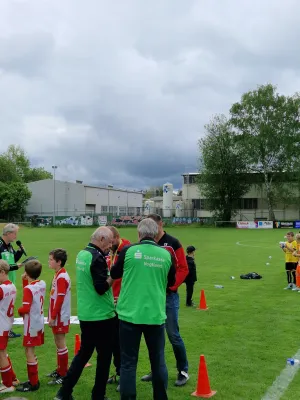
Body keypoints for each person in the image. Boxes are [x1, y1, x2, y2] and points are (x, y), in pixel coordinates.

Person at [110, 218, 176, 400]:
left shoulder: (128, 250)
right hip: (155, 315)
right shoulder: (166, 255)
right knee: (158, 361)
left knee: (128, 363)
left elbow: (114, 273)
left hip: (129, 315)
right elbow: (171, 282)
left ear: (139, 234)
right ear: (156, 234)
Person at [54, 226, 117, 400]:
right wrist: (114, 275)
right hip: (102, 315)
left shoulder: (82, 254)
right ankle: (98, 395)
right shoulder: (97, 257)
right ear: (102, 239)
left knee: (83, 354)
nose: (110, 246)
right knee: (104, 357)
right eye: (109, 242)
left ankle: (64, 392)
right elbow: (101, 287)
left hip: (86, 313)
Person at [141, 214, 189, 387]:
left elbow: (183, 268)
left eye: (153, 224)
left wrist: (171, 287)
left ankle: (183, 370)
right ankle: (156, 370)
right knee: (154, 336)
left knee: (173, 335)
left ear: (161, 224)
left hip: (168, 297)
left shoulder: (173, 243)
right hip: (152, 297)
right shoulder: (146, 243)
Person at [106, 226, 131, 392]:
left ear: (116, 237)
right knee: (113, 342)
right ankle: (117, 371)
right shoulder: (112, 251)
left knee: (124, 344)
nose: (108, 245)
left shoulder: (127, 250)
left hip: (124, 304)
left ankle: (125, 377)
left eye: (110, 241)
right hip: (110, 304)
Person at [16, 259, 46, 393]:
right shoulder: (42, 283)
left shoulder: (29, 288)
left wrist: (18, 310)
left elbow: (26, 307)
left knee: (29, 352)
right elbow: (30, 293)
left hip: (31, 324)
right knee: (31, 351)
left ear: (26, 273)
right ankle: (33, 380)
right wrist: (25, 281)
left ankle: (33, 383)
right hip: (39, 321)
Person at [47, 248, 71, 385]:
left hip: (60, 316)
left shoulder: (62, 277)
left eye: (51, 259)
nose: (48, 262)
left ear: (59, 262)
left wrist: (53, 316)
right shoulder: (58, 274)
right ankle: (60, 369)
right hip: (57, 315)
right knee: (58, 342)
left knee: (61, 343)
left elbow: (60, 299)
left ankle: (63, 374)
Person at [0, 223, 25, 338]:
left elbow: (13, 259)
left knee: (7, 307)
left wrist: (20, 251)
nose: (16, 236)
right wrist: (14, 267)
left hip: (10, 280)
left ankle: (7, 330)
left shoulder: (9, 245)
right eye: (15, 233)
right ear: (8, 233)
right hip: (2, 282)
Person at [0, 260, 19, 394]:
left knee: (1, 354)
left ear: (2, 272)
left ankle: (8, 385)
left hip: (1, 325)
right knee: (3, 353)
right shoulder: (11, 286)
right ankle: (12, 379)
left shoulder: (1, 289)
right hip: (6, 323)